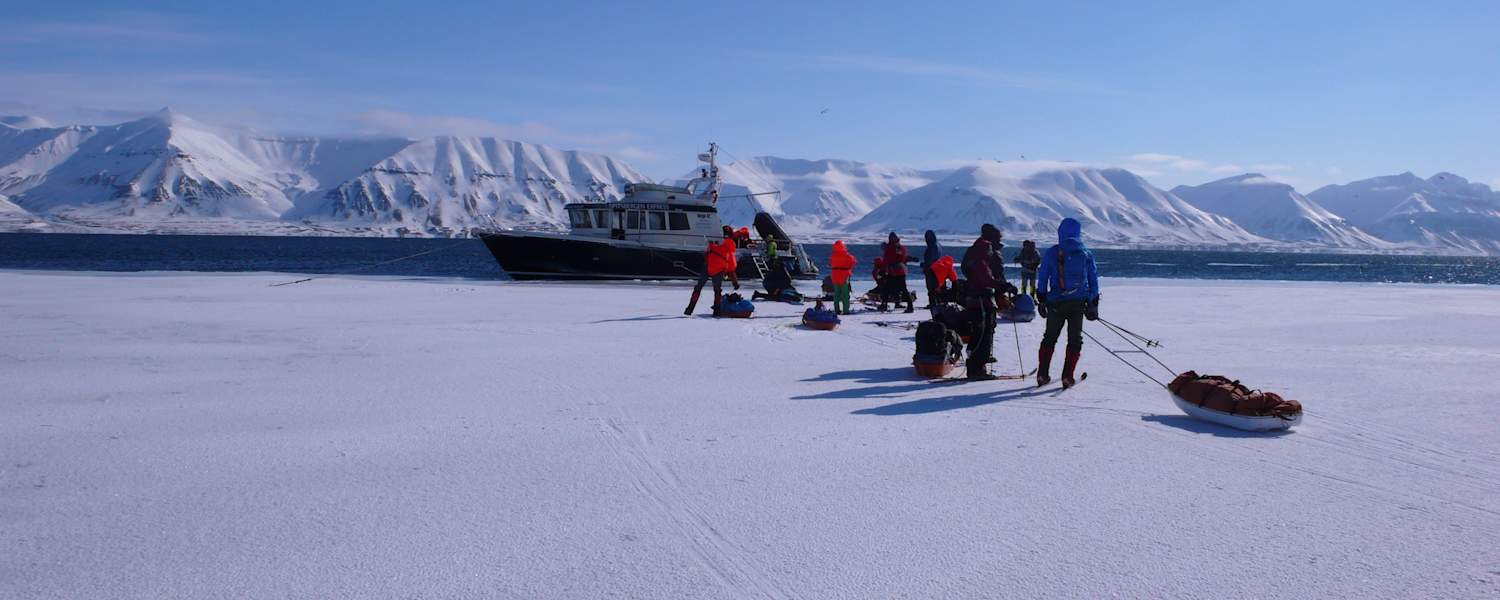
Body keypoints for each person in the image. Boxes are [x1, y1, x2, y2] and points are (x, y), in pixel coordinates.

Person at [1035, 218, 1101, 389]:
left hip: (1055, 302)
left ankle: (1042, 375)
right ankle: (1067, 377)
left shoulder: (1052, 252)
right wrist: (1093, 302)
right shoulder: (1085, 253)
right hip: (1078, 303)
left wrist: (1041, 299)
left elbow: (1043, 277)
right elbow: (1093, 279)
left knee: (1049, 338)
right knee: (1074, 339)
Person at [960, 224, 1011, 380]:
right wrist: (1002, 285)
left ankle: (977, 365)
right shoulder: (982, 260)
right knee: (983, 333)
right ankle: (977, 368)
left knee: (981, 332)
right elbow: (987, 279)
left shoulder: (973, 255)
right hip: (981, 300)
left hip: (977, 298)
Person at [685, 229, 740, 316]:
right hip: (719, 271)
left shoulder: (713, 243)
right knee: (717, 291)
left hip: (707, 267)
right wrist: (735, 283)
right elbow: (731, 269)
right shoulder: (729, 249)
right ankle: (717, 312)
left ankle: (689, 309)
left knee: (698, 288)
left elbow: (706, 255)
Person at [880, 232, 916, 313]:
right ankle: (910, 306)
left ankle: (884, 305)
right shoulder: (902, 248)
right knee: (903, 289)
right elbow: (904, 258)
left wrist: (883, 271)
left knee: (887, 288)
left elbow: (886, 260)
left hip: (893, 272)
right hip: (901, 271)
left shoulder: (890, 248)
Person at [828, 240, 857, 315]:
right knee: (845, 294)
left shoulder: (833, 255)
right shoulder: (847, 255)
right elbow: (854, 262)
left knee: (836, 293)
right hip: (844, 275)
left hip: (834, 274)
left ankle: (837, 309)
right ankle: (846, 310)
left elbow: (830, 263)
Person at [920, 230, 944, 309]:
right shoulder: (937, 245)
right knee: (935, 287)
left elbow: (932, 260)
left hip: (932, 270)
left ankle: (933, 303)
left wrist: (925, 265)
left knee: (931, 287)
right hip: (937, 269)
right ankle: (937, 302)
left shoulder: (933, 247)